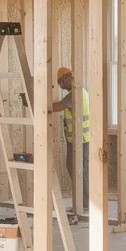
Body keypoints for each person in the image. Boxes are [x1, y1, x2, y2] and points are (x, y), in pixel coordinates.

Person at [48, 67, 89, 206]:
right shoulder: (81, 91)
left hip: (79, 140)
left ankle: (84, 202)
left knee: (76, 169)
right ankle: (85, 201)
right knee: (80, 169)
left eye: (61, 82)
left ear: (67, 77)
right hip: (80, 139)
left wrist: (36, 103)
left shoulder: (74, 94)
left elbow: (56, 107)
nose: (61, 85)